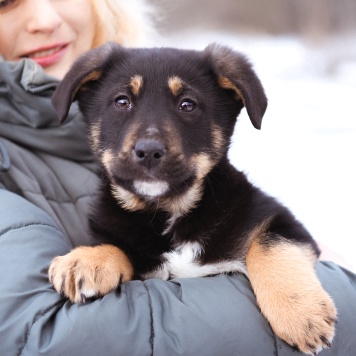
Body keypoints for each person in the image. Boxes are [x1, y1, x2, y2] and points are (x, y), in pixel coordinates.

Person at [0, 1, 355, 355]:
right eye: (122, 102)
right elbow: (49, 336)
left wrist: (286, 281)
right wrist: (107, 256)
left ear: (233, 105)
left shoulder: (243, 213)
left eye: (187, 105)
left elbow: (284, 235)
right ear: (85, 104)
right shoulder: (106, 233)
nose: (149, 142)